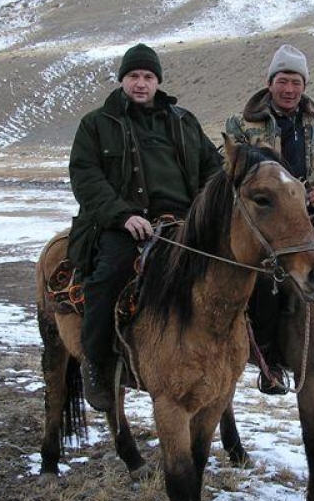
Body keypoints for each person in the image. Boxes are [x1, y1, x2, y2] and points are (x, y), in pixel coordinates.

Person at [67, 43, 222, 411]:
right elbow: (86, 177)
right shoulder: (97, 124)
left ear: (158, 82)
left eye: (148, 77)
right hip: (127, 225)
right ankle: (97, 364)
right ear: (122, 79)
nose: (141, 83)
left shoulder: (184, 121)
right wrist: (123, 215)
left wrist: (203, 215)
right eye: (134, 76)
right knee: (109, 275)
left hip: (184, 225)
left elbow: (213, 170)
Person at [225, 44, 314, 395]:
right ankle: (270, 361)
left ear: (304, 86)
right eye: (282, 81)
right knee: (267, 279)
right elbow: (227, 171)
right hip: (267, 219)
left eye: (296, 82)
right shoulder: (242, 124)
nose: (289, 89)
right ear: (269, 83)